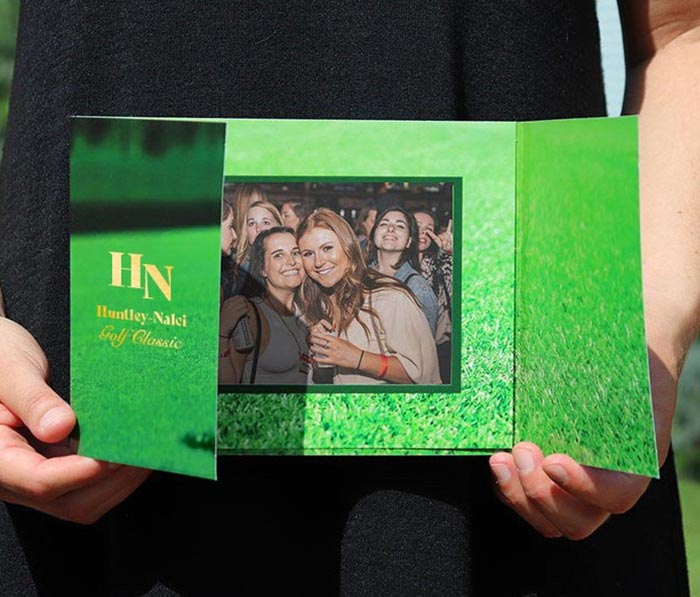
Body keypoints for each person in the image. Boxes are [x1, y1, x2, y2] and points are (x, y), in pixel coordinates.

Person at [0, 2, 698, 595]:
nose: (309, 259)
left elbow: (683, 31)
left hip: (528, 463)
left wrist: (654, 326)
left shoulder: (390, 301)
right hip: (74, 419)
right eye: (300, 251)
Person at [297, 208, 441, 385]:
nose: (318, 262)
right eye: (308, 254)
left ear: (348, 247)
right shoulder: (317, 305)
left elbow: (425, 377)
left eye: (327, 248)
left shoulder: (391, 298)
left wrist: (358, 358)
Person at [219, 227, 311, 385]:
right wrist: (221, 336)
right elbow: (229, 383)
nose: (291, 261)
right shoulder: (250, 315)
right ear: (262, 269)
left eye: (295, 253)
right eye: (278, 255)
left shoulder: (309, 312)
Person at [365, 206, 439, 339]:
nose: (391, 229)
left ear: (409, 241)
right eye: (384, 224)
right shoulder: (358, 277)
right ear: (374, 234)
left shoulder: (418, 288)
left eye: (400, 226)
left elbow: (424, 348)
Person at [413, 209, 453, 384]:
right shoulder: (392, 265)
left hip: (438, 350)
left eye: (429, 228)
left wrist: (450, 254)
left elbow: (455, 296)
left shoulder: (438, 264)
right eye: (417, 226)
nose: (423, 232)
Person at [231, 200, 283, 296]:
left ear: (279, 226)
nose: (258, 229)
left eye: (266, 222)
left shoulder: (293, 263)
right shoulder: (237, 266)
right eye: (251, 223)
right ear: (246, 231)